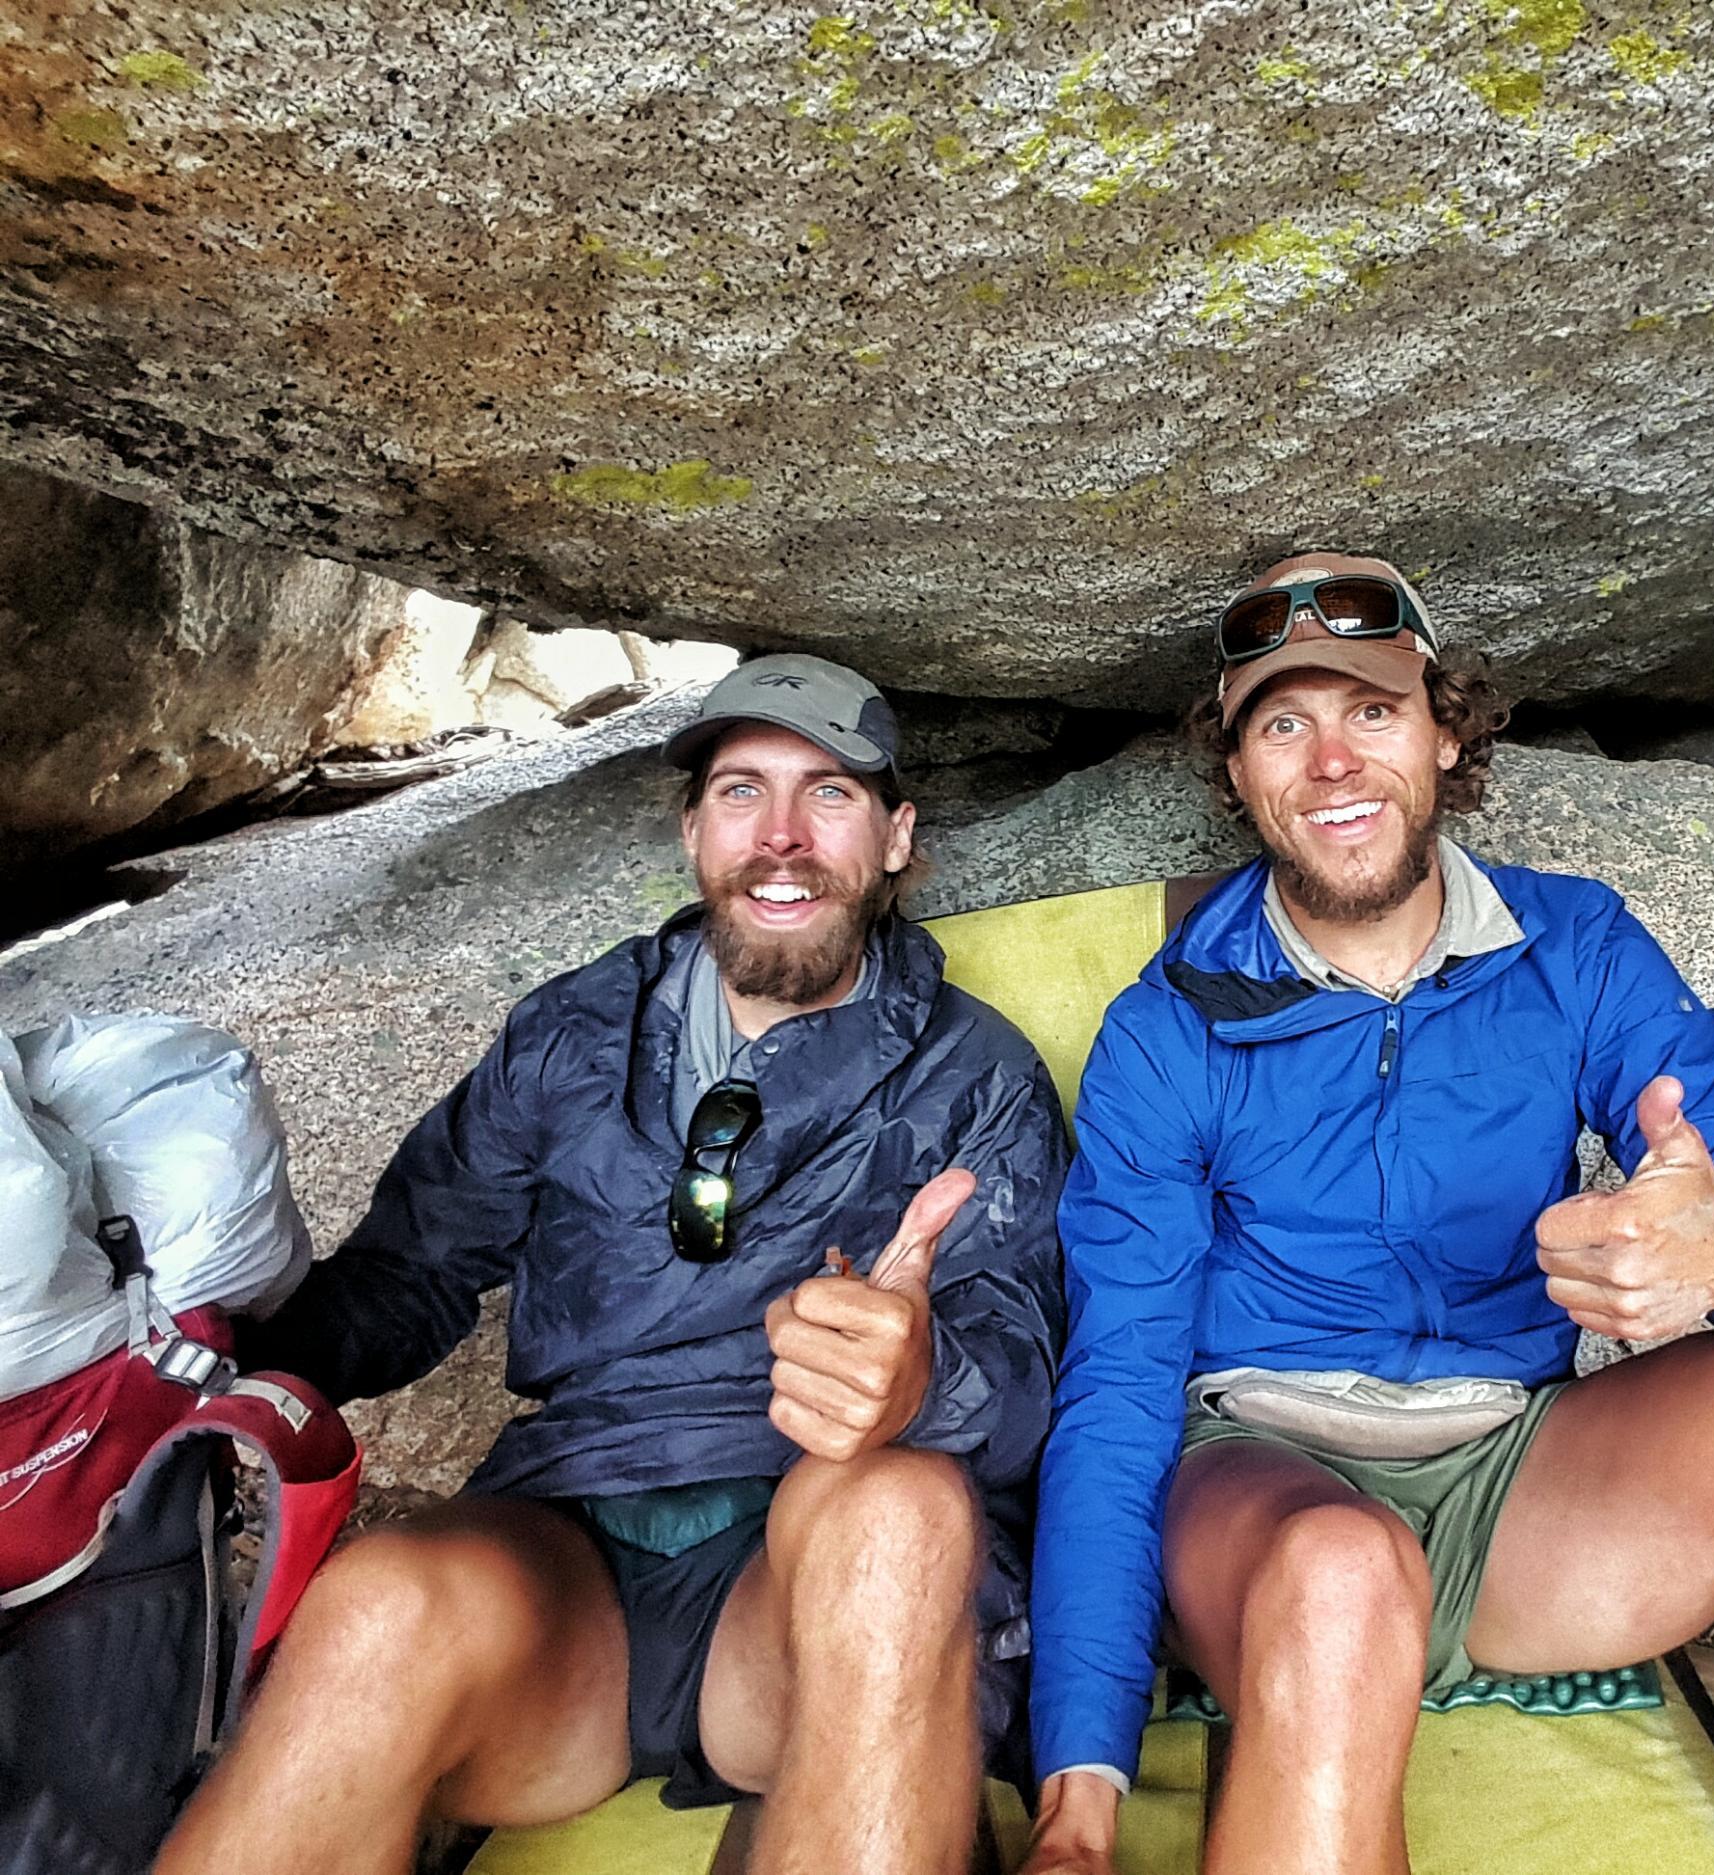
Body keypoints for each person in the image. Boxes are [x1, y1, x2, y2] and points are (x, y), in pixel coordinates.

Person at [1016, 554, 1714, 1875]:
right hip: (1262, 1497)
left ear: (1446, 731)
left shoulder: (1574, 943)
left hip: (1524, 1480)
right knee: (1341, 1572)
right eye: (1284, 724)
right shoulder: (1170, 1024)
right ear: (1237, 770)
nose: (1333, 760)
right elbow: (1116, 1393)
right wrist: (1076, 1806)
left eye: (1374, 712)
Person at [158, 656, 1067, 1875]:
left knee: (902, 1515)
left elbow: (1030, 1371)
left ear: (896, 837)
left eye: (832, 796)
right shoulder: (574, 1032)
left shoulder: (973, 1072)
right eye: (741, 793)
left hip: (815, 1594)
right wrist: (215, 1362)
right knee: (379, 1603)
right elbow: (416, 1271)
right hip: (569, 1562)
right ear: (693, 826)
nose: (782, 839)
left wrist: (923, 1381)